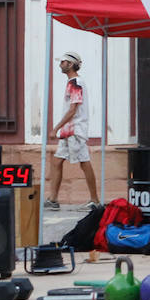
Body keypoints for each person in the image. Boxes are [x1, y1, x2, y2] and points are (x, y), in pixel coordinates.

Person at [44, 51, 99, 211]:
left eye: (63, 62)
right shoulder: (73, 82)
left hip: (75, 130)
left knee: (84, 162)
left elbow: (73, 109)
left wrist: (56, 128)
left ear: (70, 64)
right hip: (69, 131)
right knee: (57, 161)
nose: (60, 65)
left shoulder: (76, 83)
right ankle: (53, 199)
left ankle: (94, 200)